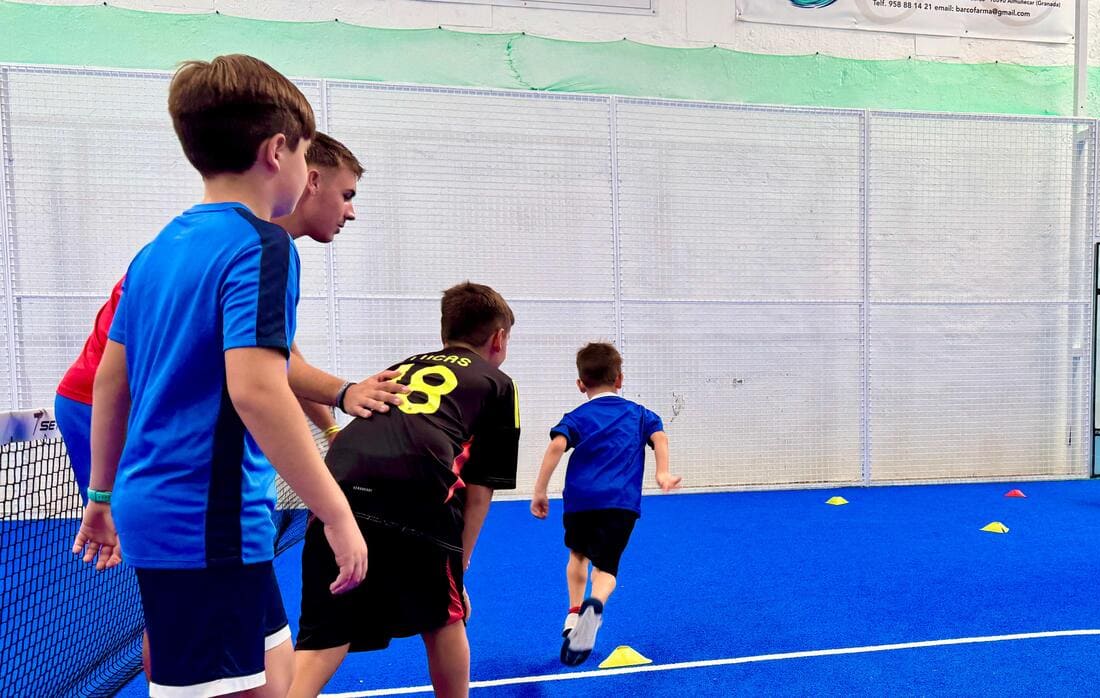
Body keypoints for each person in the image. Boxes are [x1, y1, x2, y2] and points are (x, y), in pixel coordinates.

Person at [72, 54, 368, 697]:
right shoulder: (262, 246)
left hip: (198, 518)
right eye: (305, 155)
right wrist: (336, 511)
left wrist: (100, 501)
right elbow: (259, 390)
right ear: (277, 151)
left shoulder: (156, 250)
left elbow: (110, 384)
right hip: (204, 523)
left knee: (276, 672)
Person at [54, 131, 404, 504]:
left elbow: (280, 355)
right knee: (135, 536)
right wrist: (345, 392)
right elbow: (261, 375)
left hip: (140, 405)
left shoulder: (259, 250)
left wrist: (331, 430)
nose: (351, 211)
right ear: (311, 179)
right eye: (346, 195)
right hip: (104, 404)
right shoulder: (256, 248)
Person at [290, 281, 521, 698]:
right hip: (416, 490)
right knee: (445, 619)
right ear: (499, 339)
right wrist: (459, 565)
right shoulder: (498, 383)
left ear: (444, 333)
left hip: (334, 489)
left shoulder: (404, 366)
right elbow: (482, 488)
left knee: (324, 635)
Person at [530, 341, 682, 666]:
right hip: (621, 504)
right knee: (607, 569)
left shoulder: (578, 416)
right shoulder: (640, 414)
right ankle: (594, 605)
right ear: (620, 379)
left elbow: (557, 446)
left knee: (577, 555)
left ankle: (573, 614)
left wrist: (540, 490)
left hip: (580, 503)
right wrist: (663, 472)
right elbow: (661, 438)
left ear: (581, 384)